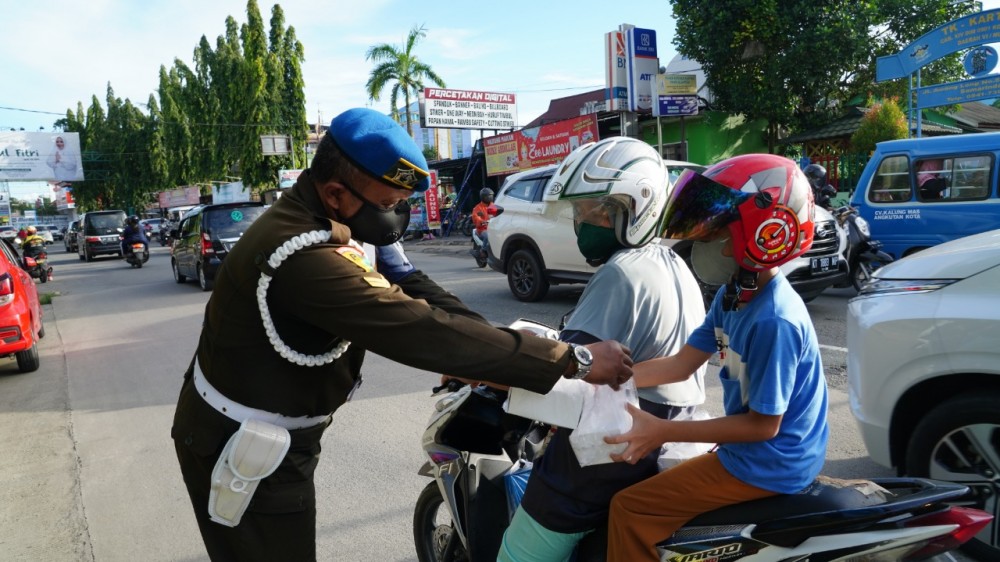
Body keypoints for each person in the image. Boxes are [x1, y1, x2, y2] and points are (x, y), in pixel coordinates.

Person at [170, 107, 633, 561]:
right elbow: (418, 329)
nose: (395, 217)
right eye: (389, 206)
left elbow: (411, 285)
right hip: (241, 447)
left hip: (278, 433)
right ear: (336, 193)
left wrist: (491, 341)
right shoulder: (302, 258)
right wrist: (573, 360)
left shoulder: (332, 220)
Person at [604, 154, 830, 562]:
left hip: (770, 464)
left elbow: (763, 426)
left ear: (763, 233)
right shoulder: (734, 296)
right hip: (758, 455)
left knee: (629, 507)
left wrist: (661, 430)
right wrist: (606, 378)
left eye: (714, 231)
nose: (702, 241)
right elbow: (680, 363)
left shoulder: (773, 320)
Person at [498, 138, 707, 562]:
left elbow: (564, 365)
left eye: (592, 211)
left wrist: (496, 369)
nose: (580, 223)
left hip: (609, 445)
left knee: (518, 553)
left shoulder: (621, 273)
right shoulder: (672, 262)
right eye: (578, 212)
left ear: (633, 209)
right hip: (669, 428)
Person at [469, 187, 496, 258]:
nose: (490, 197)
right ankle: (483, 251)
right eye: (488, 196)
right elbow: (476, 218)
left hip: (493, 228)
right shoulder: (478, 208)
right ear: (483, 197)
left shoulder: (493, 206)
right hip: (482, 229)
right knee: (487, 236)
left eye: (491, 195)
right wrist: (482, 221)